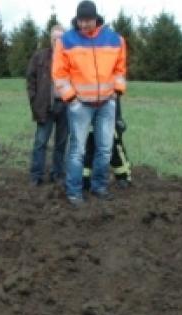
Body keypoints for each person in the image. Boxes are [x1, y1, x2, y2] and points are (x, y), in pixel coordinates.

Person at [53, 0, 127, 206]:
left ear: (96, 19)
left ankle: (99, 186)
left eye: (88, 21)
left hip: (106, 103)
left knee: (105, 149)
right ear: (76, 19)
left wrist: (117, 91)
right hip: (80, 105)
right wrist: (71, 99)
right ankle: (74, 192)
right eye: (81, 21)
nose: (84, 25)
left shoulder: (115, 39)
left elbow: (120, 69)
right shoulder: (66, 41)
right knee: (78, 150)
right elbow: (59, 74)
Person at [26, 24, 68, 187]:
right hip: (45, 107)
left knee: (61, 143)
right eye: (54, 38)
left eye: (60, 38)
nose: (57, 41)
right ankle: (36, 175)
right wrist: (35, 102)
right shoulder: (40, 57)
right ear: (50, 39)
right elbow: (30, 80)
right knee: (40, 142)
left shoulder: (70, 57)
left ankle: (57, 174)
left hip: (65, 106)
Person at [81, 96, 131, 188]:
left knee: (114, 147)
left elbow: (116, 93)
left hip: (107, 116)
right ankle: (85, 179)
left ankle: (123, 177)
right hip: (89, 116)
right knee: (88, 149)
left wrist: (118, 118)